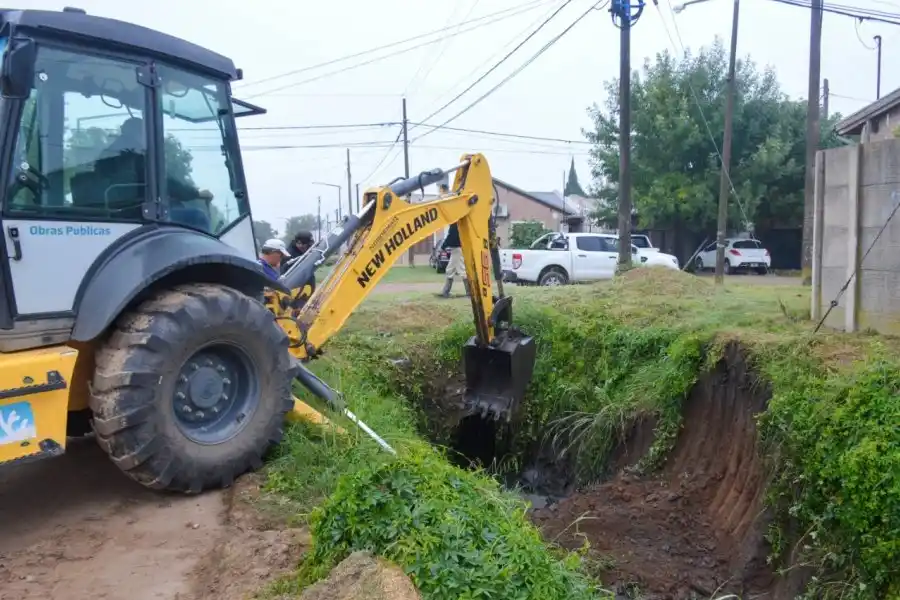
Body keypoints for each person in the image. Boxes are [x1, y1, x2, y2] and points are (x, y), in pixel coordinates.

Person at [438, 223, 470, 298]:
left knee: (462, 271)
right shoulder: (458, 223)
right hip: (456, 249)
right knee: (450, 270)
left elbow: (451, 237)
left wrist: (443, 246)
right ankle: (445, 291)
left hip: (457, 249)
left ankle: (469, 293)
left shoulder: (455, 223)